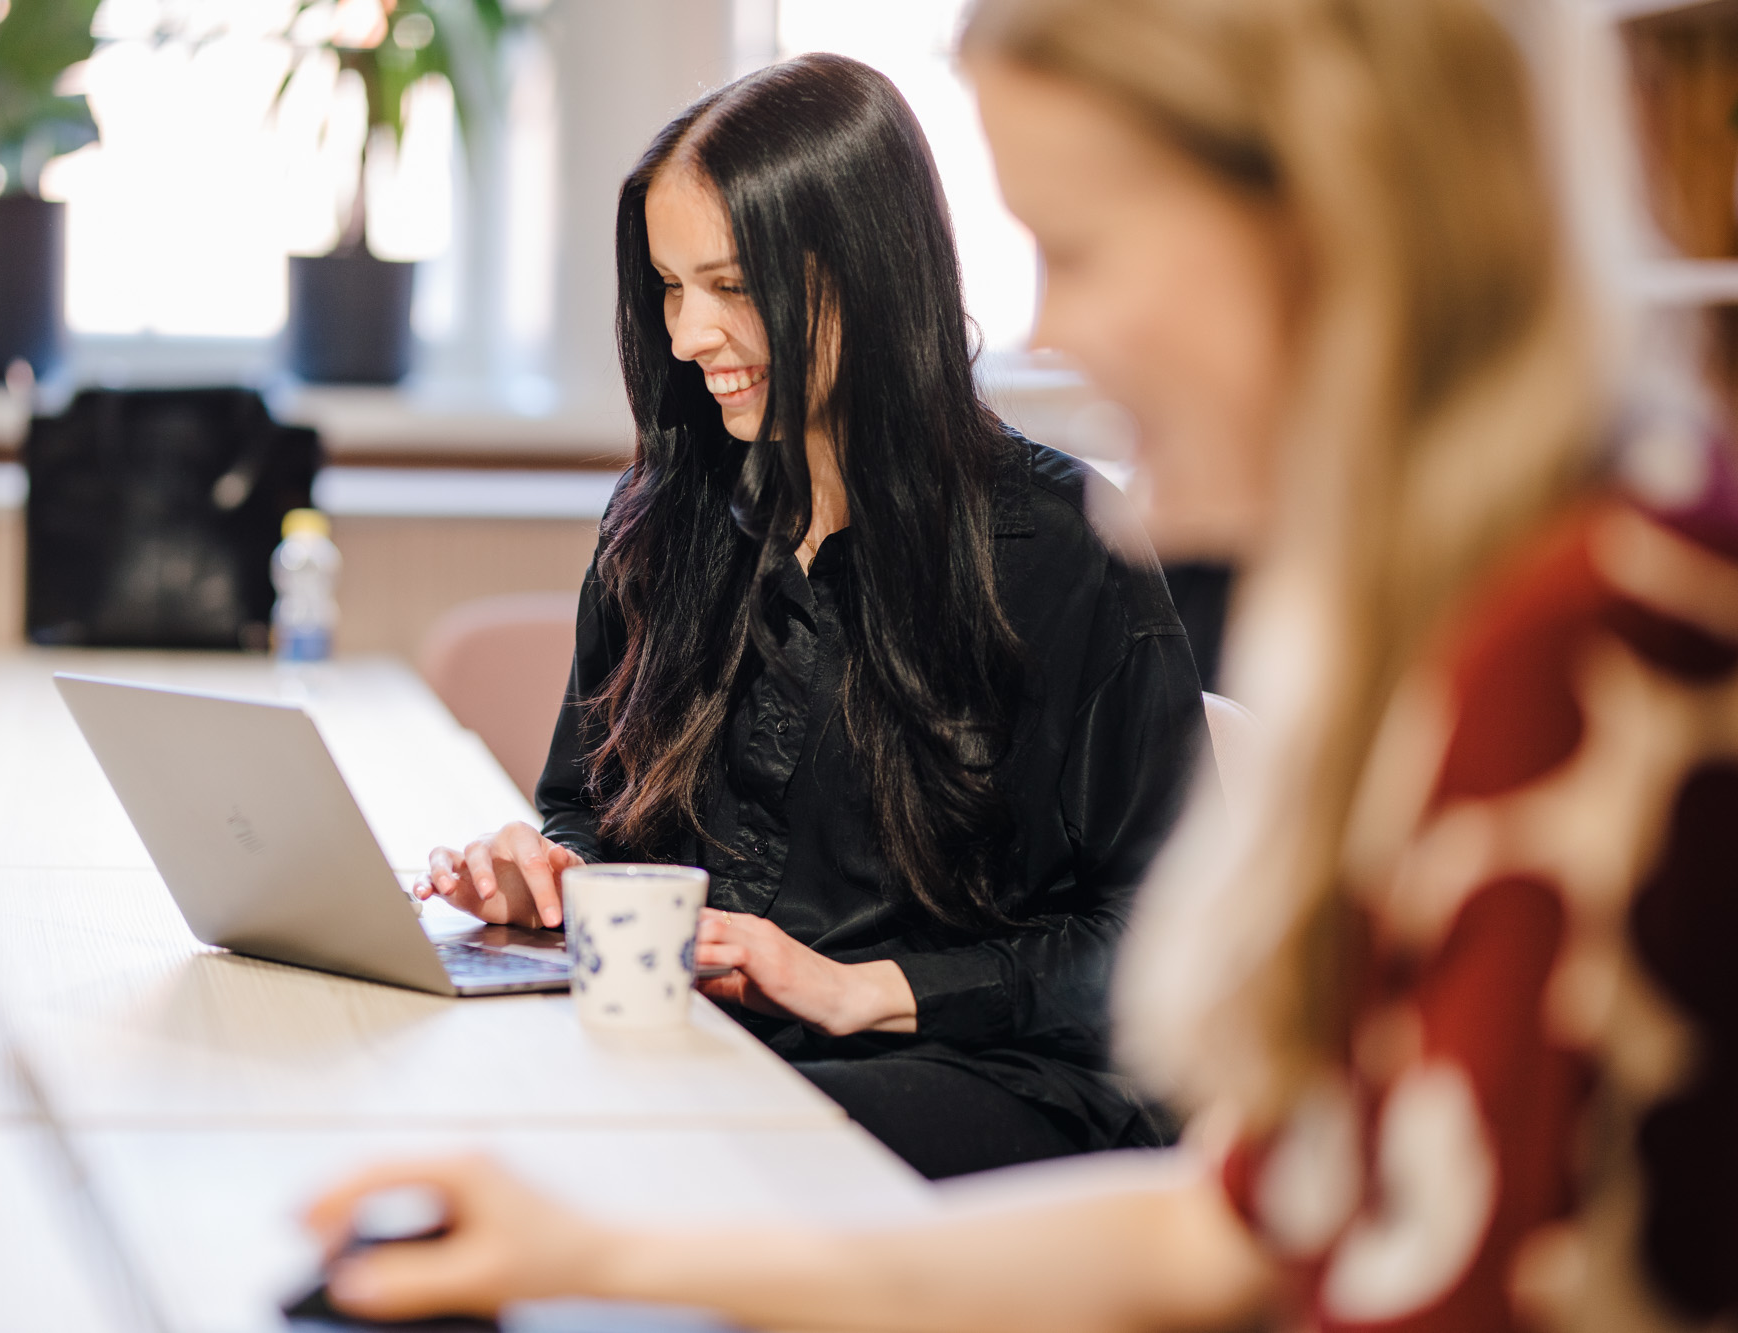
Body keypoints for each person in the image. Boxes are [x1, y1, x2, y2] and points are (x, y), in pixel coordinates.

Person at [308, 0, 1738, 1328]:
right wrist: (602, 1246)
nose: (1051, 327)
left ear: (1337, 211)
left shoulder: (1604, 650)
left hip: (961, 1083)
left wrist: (875, 995)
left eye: (1088, 247)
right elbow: (1235, 1228)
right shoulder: (1412, 648)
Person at [412, 52, 1206, 1181]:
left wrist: (862, 990)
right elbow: (589, 816)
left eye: (730, 287)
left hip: (988, 1073)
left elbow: (1175, 940)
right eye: (669, 287)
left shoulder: (1058, 544)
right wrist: (540, 879)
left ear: (868, 274)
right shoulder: (663, 518)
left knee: (693, 1158)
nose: (687, 337)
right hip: (734, 1055)